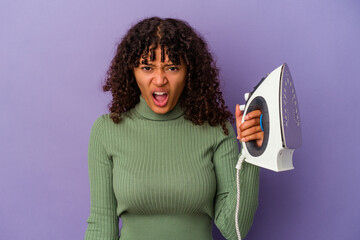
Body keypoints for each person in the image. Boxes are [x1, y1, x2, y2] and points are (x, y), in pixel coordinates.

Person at [84, 17, 263, 240]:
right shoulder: (106, 130)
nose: (159, 80)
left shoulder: (218, 129)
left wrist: (250, 153)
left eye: (172, 67)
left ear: (189, 72)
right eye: (147, 67)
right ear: (132, 71)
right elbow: (101, 225)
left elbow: (234, 230)